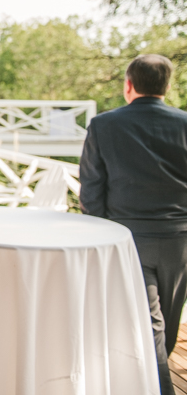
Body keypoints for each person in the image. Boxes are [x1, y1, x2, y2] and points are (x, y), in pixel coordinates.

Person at [80, 54, 187, 395]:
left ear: (128, 85)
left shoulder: (103, 125)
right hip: (180, 239)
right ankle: (160, 384)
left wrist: (100, 235)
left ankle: (151, 381)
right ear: (167, 87)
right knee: (164, 319)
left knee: (151, 320)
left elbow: (92, 189)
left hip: (127, 238)